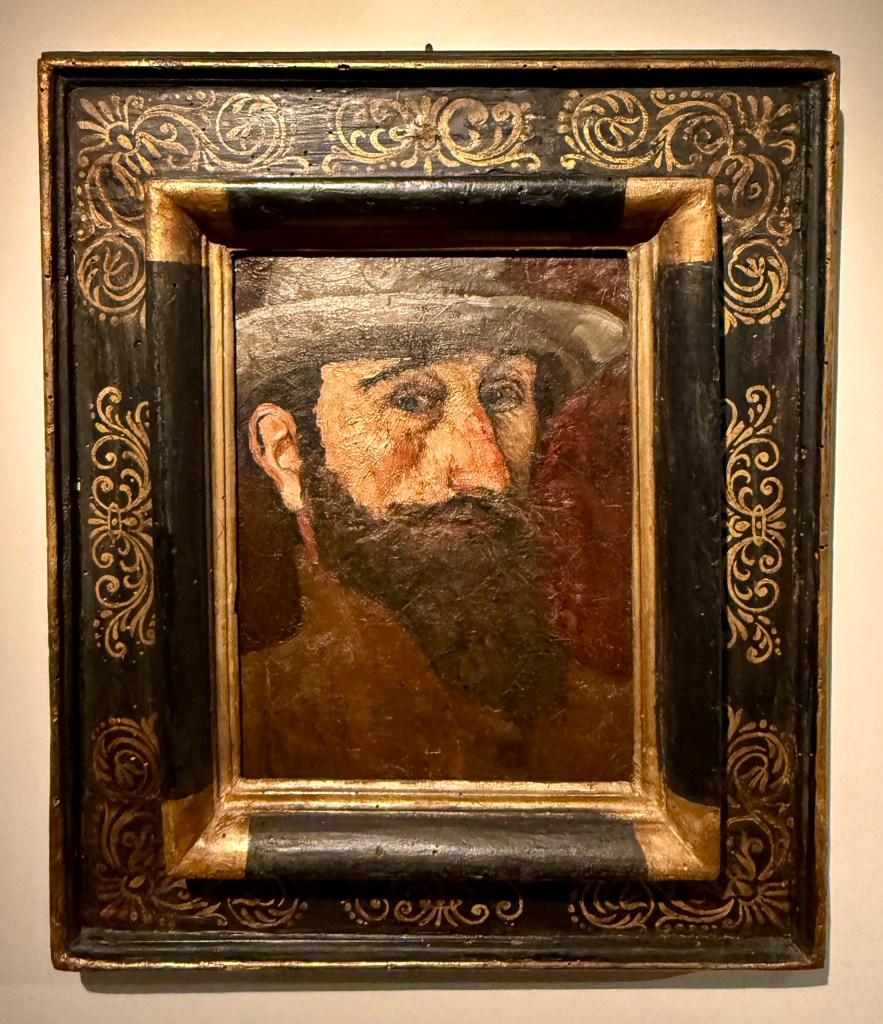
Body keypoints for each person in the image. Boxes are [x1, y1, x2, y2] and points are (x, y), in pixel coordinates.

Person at [236, 256, 634, 783]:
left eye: (503, 395)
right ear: (284, 452)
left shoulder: (621, 731)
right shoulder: (249, 728)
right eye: (409, 400)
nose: (488, 471)